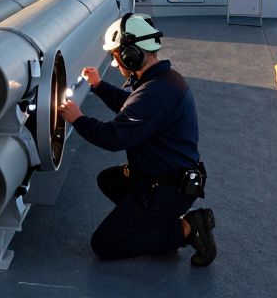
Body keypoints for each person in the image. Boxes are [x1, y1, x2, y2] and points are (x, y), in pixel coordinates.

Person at [58, 13, 217, 266]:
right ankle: (154, 222)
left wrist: (77, 119)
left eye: (116, 57)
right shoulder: (161, 80)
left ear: (131, 55)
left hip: (167, 187)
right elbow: (130, 108)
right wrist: (99, 86)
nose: (116, 64)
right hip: (167, 176)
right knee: (109, 180)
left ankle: (187, 229)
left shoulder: (155, 92)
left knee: (105, 244)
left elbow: (113, 137)